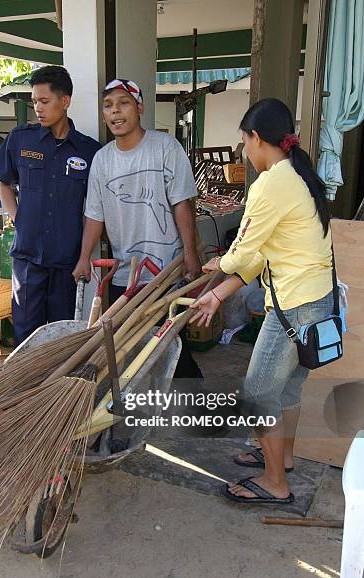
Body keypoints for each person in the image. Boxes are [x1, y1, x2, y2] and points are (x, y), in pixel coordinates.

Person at [189, 98, 334, 504]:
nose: (243, 151)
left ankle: (275, 485)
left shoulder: (271, 183)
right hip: (314, 304)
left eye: (243, 142)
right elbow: (264, 255)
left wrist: (217, 263)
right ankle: (282, 461)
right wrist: (218, 294)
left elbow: (242, 253)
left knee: (257, 393)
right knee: (285, 392)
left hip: (293, 307)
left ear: (256, 138)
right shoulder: (299, 177)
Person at [73, 78, 203, 378]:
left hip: (166, 271)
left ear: (140, 108)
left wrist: (190, 253)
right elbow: (95, 215)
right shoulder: (102, 160)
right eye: (108, 106)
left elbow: (182, 205)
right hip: (125, 274)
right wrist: (83, 258)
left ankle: (195, 412)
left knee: (172, 346)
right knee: (132, 348)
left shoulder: (165, 148)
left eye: (123, 103)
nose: (115, 112)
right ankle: (147, 412)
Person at [0, 66, 102, 346]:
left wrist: (84, 257)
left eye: (44, 101)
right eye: (34, 102)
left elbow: (95, 209)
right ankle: (28, 389)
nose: (37, 108)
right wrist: (17, 218)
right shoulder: (20, 139)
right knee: (26, 337)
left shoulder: (89, 151)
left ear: (64, 102)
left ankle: (56, 389)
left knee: (63, 337)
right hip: (28, 261)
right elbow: (2, 183)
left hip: (67, 263)